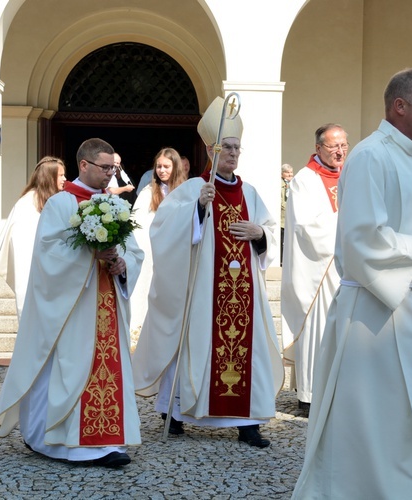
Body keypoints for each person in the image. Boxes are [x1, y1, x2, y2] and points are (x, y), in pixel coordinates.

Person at [292, 68, 412, 499]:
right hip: (375, 314)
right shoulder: (370, 156)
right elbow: (361, 238)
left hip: (407, 305)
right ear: (400, 106)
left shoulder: (402, 155)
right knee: (376, 415)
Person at [131, 96, 284, 448]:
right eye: (226, 147)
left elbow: (269, 231)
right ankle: (179, 414)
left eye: (236, 148)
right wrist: (197, 212)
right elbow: (162, 232)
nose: (232, 153)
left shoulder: (250, 193)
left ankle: (248, 422)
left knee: (249, 349)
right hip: (203, 293)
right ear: (212, 151)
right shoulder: (190, 190)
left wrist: (260, 235)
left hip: (243, 293)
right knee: (196, 343)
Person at [0, 138, 144, 468]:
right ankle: (66, 444)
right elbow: (47, 256)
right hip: (72, 307)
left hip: (108, 305)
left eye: (113, 169)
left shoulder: (116, 205)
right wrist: (90, 254)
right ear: (85, 165)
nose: (110, 175)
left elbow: (134, 251)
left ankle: (109, 442)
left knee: (107, 371)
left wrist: (123, 266)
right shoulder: (60, 204)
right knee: (71, 369)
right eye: (105, 168)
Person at [280, 124, 347, 414]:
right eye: (333, 146)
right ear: (318, 148)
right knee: (318, 329)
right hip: (318, 270)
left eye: (344, 144)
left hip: (347, 267)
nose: (340, 151)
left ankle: (341, 391)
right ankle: (309, 396)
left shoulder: (350, 175)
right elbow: (307, 226)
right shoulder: (304, 180)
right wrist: (350, 226)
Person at [0, 156, 66, 319]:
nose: (65, 179)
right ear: (49, 178)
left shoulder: (46, 201)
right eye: (61, 175)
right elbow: (24, 255)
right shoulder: (27, 205)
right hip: (31, 275)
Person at [129, 147, 187, 340]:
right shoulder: (148, 192)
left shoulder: (187, 192)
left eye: (166, 166)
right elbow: (137, 225)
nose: (161, 170)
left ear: (176, 167)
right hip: (151, 254)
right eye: (158, 166)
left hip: (178, 255)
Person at [279, 163, 293, 265]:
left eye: (291, 172)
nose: (289, 174)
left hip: (291, 218)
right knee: (282, 241)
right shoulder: (280, 185)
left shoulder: (293, 184)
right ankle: (281, 261)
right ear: (281, 174)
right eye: (287, 172)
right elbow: (281, 202)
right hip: (282, 218)